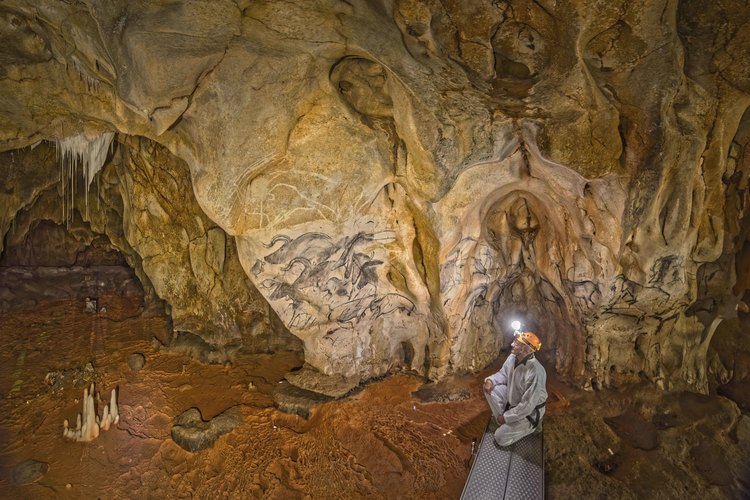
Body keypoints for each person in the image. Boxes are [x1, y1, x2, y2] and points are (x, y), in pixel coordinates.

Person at [483, 330, 547, 447]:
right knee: (489, 388)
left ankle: (533, 426)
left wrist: (507, 418)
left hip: (529, 412)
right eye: (515, 341)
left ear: (527, 349)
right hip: (514, 399)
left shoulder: (536, 372)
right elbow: (503, 374)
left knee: (500, 438)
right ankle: (502, 420)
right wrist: (490, 381)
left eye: (517, 344)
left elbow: (527, 406)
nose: (512, 344)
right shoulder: (513, 357)